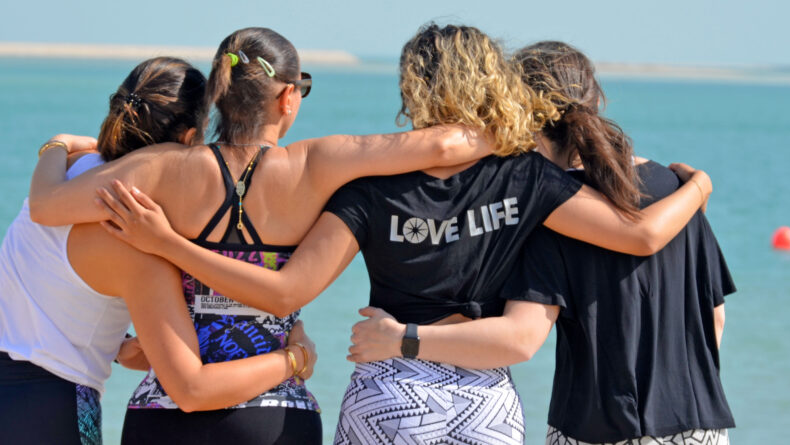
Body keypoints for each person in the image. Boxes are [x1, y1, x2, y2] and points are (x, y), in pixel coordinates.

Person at [89, 24, 713, 445]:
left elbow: (287, 291)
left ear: (414, 90)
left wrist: (171, 245)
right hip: (484, 408)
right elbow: (638, 237)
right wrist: (697, 188)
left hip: (387, 393)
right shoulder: (526, 177)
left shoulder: (369, 188)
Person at [27, 27, 501, 445]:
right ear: (288, 97)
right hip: (274, 417)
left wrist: (57, 146)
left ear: (218, 94)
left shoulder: (161, 167)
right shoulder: (314, 163)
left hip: (161, 414)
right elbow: (442, 144)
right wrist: (513, 132)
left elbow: (46, 207)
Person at [348, 41, 735, 445]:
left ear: (516, 112)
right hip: (698, 427)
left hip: (594, 428)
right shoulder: (680, 192)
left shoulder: (546, 207)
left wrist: (402, 339)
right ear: (596, 98)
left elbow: (521, 336)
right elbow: (715, 319)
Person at [0, 57, 317, 445]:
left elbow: (52, 302)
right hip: (46, 412)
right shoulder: (135, 233)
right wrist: (293, 359)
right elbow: (190, 388)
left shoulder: (71, 174)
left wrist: (56, 145)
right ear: (188, 140)